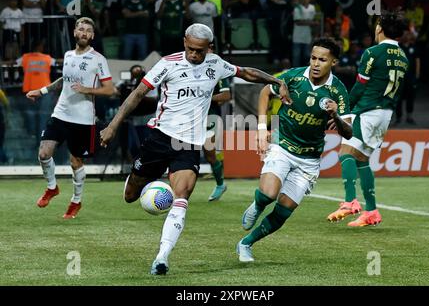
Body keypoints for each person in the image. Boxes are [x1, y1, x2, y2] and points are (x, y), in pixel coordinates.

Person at [99, 23, 290, 275]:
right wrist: (112, 126)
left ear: (208, 48)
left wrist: (277, 81)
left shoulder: (216, 63)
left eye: (199, 51)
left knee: (181, 197)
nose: (194, 55)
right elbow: (137, 94)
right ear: (184, 42)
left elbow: (247, 73)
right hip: (160, 138)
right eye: (190, 49)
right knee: (131, 196)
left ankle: (161, 258)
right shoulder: (168, 63)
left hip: (188, 145)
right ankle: (145, 182)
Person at [236, 37, 352, 263]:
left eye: (322, 60)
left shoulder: (338, 91)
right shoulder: (293, 76)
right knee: (268, 194)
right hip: (282, 142)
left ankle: (246, 244)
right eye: (313, 58)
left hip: (309, 158)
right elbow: (265, 93)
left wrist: (335, 116)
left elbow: (348, 133)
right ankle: (258, 204)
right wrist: (262, 128)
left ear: (334, 62)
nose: (316, 63)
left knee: (283, 212)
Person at [26, 17, 114, 219]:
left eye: (87, 31)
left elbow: (110, 89)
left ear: (92, 36)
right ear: (75, 32)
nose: (83, 33)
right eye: (80, 29)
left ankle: (76, 201)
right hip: (61, 113)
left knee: (75, 162)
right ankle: (52, 187)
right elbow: (63, 80)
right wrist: (41, 91)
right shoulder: (67, 55)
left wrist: (87, 89)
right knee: (43, 153)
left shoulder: (98, 59)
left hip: (83, 119)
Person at [327, 10, 409, 227]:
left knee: (345, 153)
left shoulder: (373, 53)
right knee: (362, 160)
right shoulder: (403, 57)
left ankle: (349, 201)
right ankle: (371, 211)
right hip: (386, 114)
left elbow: (360, 87)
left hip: (368, 111)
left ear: (380, 28)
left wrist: (344, 112)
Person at [204, 54, 232, 201]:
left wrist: (204, 97)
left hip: (210, 117)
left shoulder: (218, 71)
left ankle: (220, 184)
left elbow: (226, 96)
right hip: (190, 117)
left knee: (209, 153)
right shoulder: (190, 69)